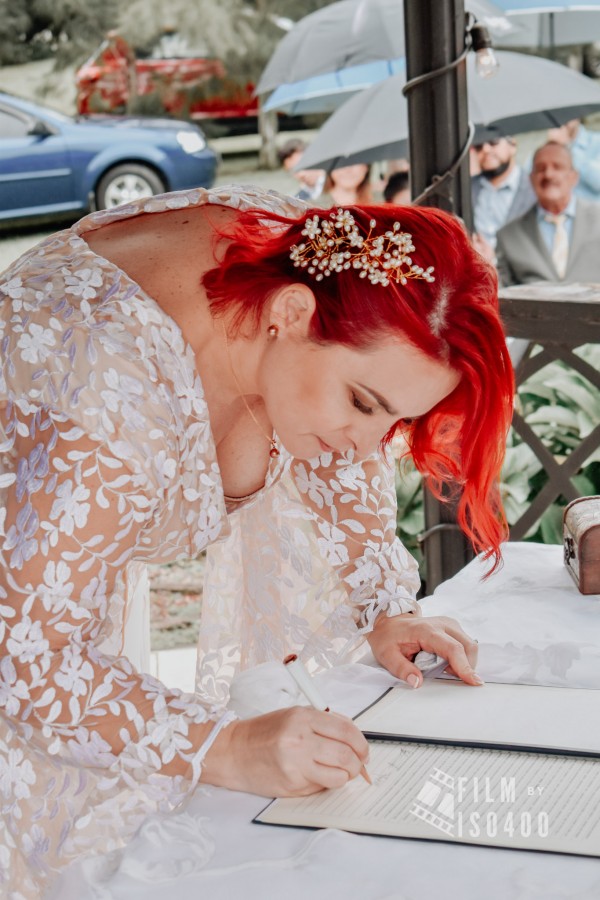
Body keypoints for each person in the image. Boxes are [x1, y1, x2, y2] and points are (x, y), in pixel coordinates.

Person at [0, 184, 514, 896]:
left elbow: (342, 451)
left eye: (393, 421)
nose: (367, 443)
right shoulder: (104, 385)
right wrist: (228, 744)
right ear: (290, 314)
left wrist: (385, 607)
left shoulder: (322, 268)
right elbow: (27, 654)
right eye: (362, 403)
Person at [496, 141, 600, 286]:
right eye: (540, 169)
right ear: (531, 179)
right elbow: (502, 291)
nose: (548, 175)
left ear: (574, 177)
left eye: (557, 167)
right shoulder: (508, 235)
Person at [470, 130, 535, 264]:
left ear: (513, 145)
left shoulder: (534, 188)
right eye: (479, 146)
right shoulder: (466, 188)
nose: (486, 149)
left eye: (493, 141)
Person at [547, 117, 600, 202]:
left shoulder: (597, 141)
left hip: (591, 208)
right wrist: (551, 147)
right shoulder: (547, 148)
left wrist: (567, 148)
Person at [277, 138, 326, 202]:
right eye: (293, 170)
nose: (300, 174)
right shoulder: (297, 201)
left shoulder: (336, 182)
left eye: (302, 165)